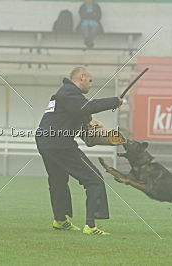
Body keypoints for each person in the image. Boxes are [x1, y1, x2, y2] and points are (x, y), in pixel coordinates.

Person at [35, 67, 123, 235]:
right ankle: (90, 226)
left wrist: (91, 123)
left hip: (47, 142)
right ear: (81, 77)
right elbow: (87, 107)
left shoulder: (67, 96)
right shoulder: (68, 92)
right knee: (94, 179)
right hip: (59, 143)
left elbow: (80, 113)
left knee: (58, 181)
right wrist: (114, 101)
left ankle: (60, 220)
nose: (91, 86)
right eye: (90, 81)